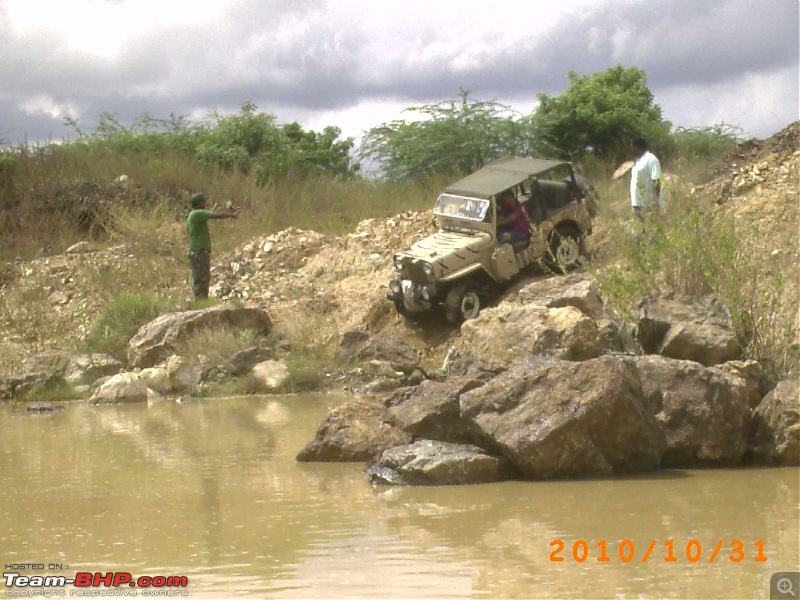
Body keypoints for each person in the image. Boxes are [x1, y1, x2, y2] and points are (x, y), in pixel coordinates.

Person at [186, 192, 239, 300]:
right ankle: (201, 302)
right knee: (202, 279)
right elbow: (215, 215)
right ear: (199, 203)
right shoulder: (197, 214)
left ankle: (200, 302)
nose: (206, 203)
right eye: (204, 201)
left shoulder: (193, 215)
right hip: (199, 251)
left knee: (200, 279)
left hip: (196, 251)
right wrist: (231, 215)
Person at [629, 136, 663, 220]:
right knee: (638, 231)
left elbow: (657, 180)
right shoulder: (638, 160)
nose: (631, 150)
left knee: (650, 230)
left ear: (636, 147)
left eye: (632, 147)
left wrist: (655, 201)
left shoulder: (651, 159)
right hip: (636, 203)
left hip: (647, 204)